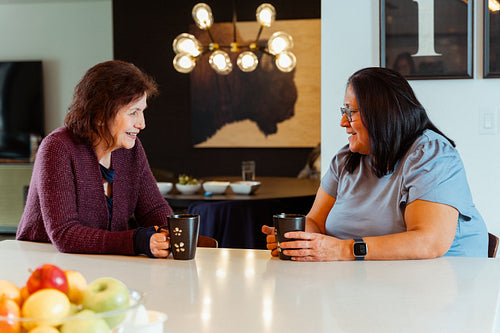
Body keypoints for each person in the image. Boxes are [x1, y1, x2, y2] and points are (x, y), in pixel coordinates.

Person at [262, 67, 488, 261]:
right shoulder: (345, 160)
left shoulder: (430, 154)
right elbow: (315, 222)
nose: (343, 122)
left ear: (381, 113)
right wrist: (298, 240)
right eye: (344, 111)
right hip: (370, 285)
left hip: (445, 289)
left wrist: (344, 249)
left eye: (350, 112)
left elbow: (429, 241)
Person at [16, 60, 173, 258]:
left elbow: (153, 209)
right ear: (99, 114)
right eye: (133, 112)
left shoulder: (130, 150)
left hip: (101, 263)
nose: (142, 124)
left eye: (142, 111)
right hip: (45, 265)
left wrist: (173, 233)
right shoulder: (57, 148)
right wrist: (135, 241)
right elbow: (65, 234)